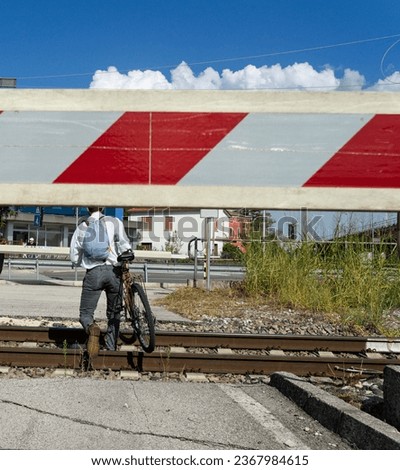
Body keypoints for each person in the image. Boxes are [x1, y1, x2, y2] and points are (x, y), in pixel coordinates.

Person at [70, 207, 131, 357]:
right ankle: (111, 348)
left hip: (93, 273)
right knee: (114, 313)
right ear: (103, 207)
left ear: (86, 208)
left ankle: (92, 329)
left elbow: (74, 255)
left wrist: (81, 262)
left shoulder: (82, 226)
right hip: (114, 273)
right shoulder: (114, 222)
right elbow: (124, 245)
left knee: (85, 313)